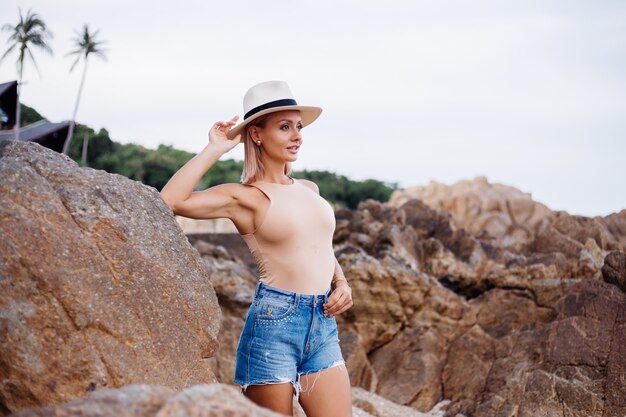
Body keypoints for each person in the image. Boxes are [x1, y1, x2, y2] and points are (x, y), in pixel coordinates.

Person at [160, 80, 353, 417]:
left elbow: (320, 246)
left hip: (323, 324)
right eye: (284, 127)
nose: (297, 135)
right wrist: (216, 148)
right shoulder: (244, 197)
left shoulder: (310, 188)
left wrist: (341, 282)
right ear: (257, 134)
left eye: (298, 126)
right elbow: (170, 200)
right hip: (274, 324)